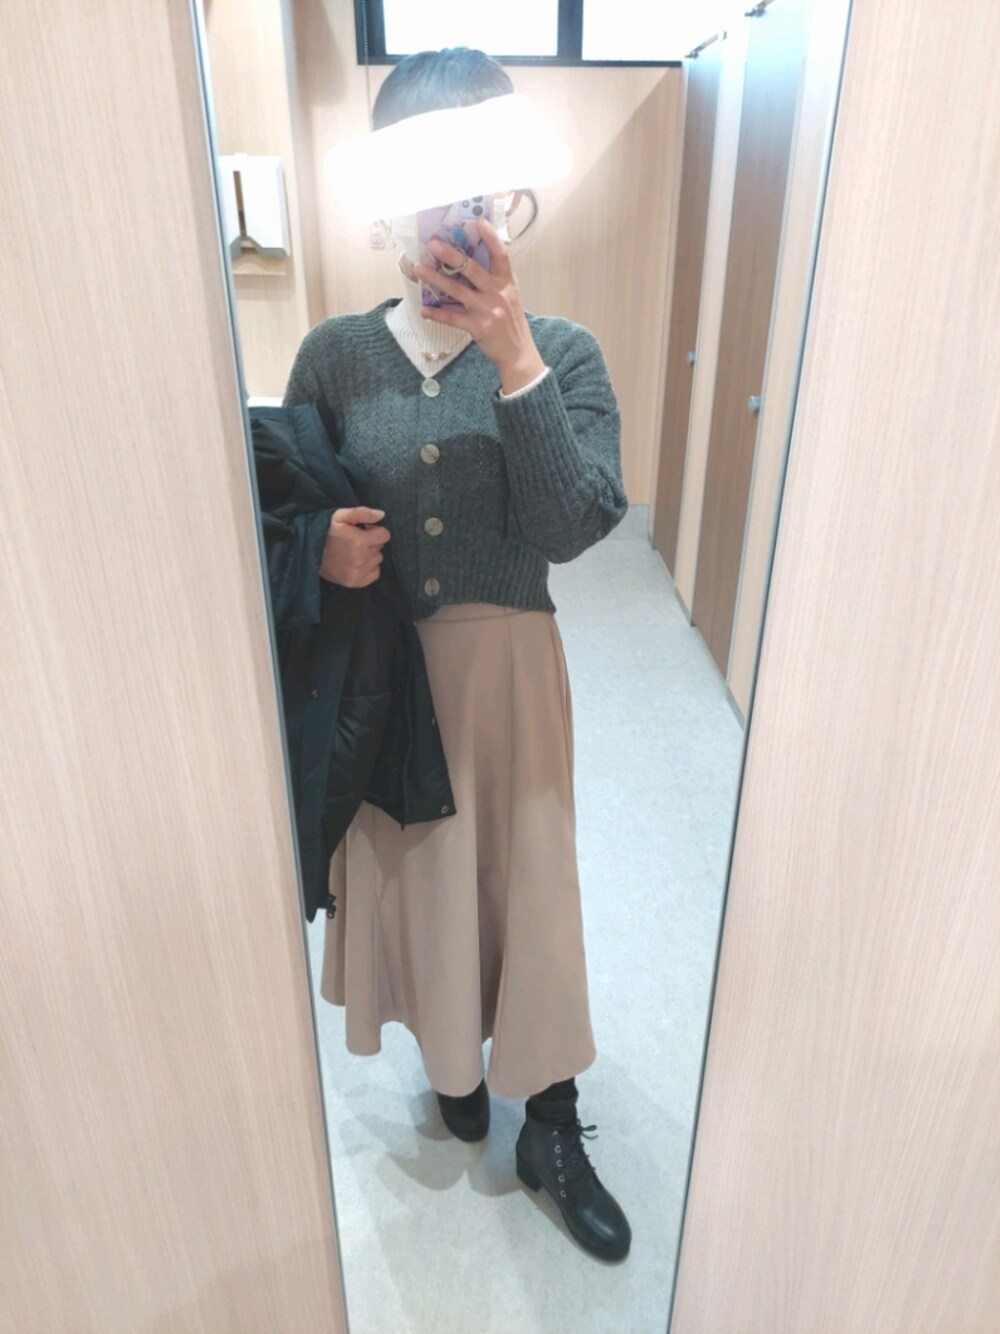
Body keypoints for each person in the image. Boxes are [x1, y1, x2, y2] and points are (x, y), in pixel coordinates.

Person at [283, 47, 631, 1262]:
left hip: (510, 677)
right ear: (390, 197)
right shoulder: (335, 354)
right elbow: (280, 507)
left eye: (473, 184)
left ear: (506, 197)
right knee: (426, 881)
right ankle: (455, 1069)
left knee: (529, 885)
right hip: (387, 679)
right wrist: (319, 550)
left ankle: (553, 1120)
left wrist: (514, 354)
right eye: (427, 185)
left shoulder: (563, 350)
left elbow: (573, 524)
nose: (450, 213)